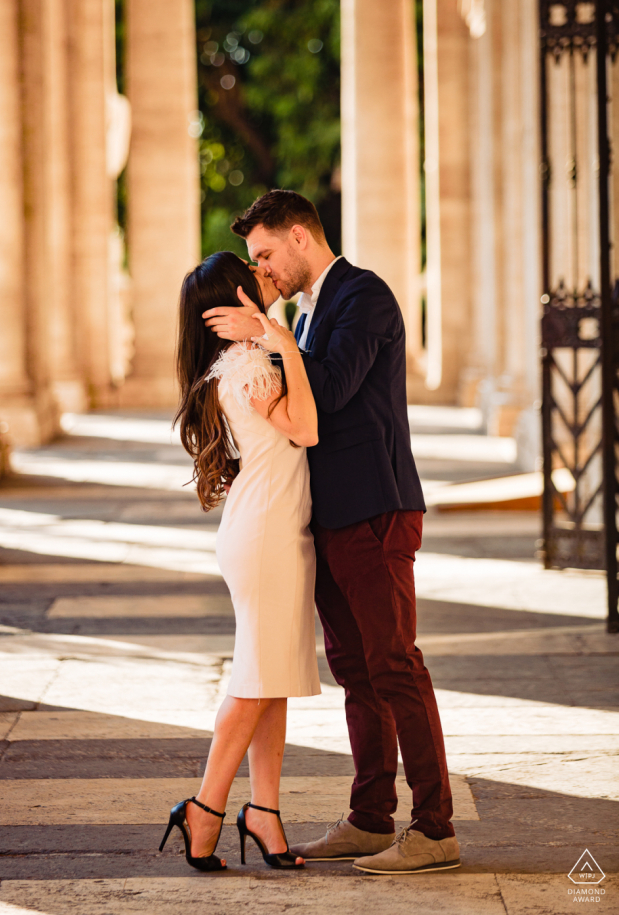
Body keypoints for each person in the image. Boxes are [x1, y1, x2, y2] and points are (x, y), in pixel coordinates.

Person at [202, 190, 460, 876]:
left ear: (298, 236)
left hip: (377, 509)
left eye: (265, 255)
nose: (262, 270)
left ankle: (434, 827)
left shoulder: (362, 297)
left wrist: (265, 331)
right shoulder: (308, 313)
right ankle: (371, 817)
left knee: (395, 664)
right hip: (332, 518)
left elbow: (332, 390)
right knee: (356, 671)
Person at [160, 250, 321, 872]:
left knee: (270, 678)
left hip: (271, 528)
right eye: (253, 275)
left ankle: (266, 814)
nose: (266, 277)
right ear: (236, 300)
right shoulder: (254, 362)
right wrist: (277, 337)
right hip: (266, 534)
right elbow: (305, 427)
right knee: (256, 682)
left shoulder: (239, 361)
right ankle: (205, 806)